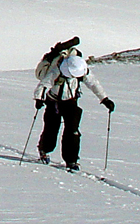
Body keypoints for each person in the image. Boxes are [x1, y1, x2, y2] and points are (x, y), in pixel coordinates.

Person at [33, 39, 115, 171]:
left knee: (73, 130)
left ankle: (71, 160)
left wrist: (105, 99)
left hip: (70, 102)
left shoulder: (80, 68)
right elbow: (44, 84)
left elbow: (93, 83)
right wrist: (39, 98)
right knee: (51, 128)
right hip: (54, 101)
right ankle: (44, 149)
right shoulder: (57, 69)